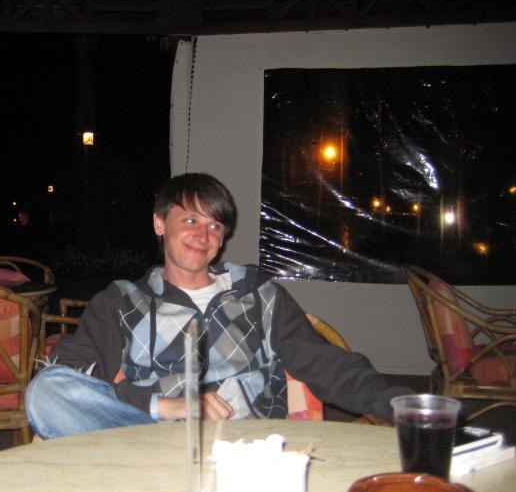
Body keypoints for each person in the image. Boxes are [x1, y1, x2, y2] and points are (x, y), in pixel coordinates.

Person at [26, 172, 412, 439]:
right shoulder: (121, 301)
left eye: (215, 225)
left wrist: (400, 404)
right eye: (191, 220)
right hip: (148, 438)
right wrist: (168, 406)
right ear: (160, 224)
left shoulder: (259, 295)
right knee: (45, 392)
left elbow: (324, 363)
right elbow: (68, 378)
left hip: (245, 445)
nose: (203, 235)